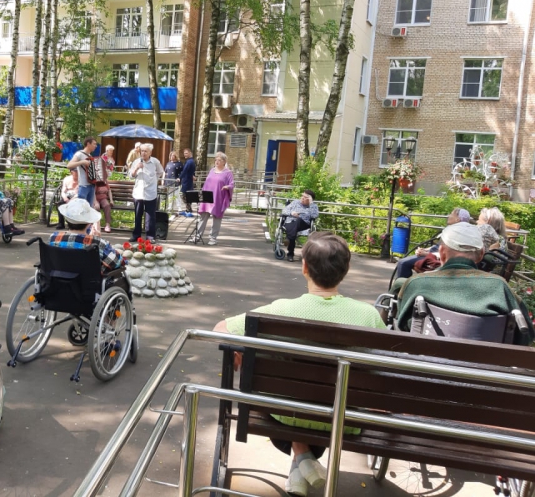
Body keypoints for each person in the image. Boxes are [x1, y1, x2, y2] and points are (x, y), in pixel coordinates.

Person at [214, 232, 385, 497]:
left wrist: (240, 350)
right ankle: (303, 459)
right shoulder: (368, 316)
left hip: (285, 414)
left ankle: (302, 455)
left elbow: (220, 329)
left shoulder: (281, 310)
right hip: (344, 418)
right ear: (346, 269)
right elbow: (387, 363)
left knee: (274, 368)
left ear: (304, 267)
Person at [393, 222, 534, 346]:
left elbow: (403, 326)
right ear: (481, 254)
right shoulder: (500, 287)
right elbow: (525, 336)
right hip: (484, 366)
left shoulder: (417, 283)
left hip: (427, 363)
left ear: (441, 253)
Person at [393, 208, 471, 281]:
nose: (448, 216)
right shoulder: (450, 230)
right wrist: (424, 249)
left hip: (436, 258)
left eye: (451, 214)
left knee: (402, 263)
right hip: (430, 254)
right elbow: (437, 246)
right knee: (403, 262)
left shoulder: (458, 235)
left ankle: (400, 288)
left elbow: (450, 253)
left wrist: (426, 254)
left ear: (457, 219)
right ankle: (404, 286)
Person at [50, 199, 124, 274]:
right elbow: (117, 262)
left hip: (57, 279)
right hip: (89, 280)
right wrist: (97, 239)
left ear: (67, 220)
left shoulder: (54, 238)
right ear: (89, 223)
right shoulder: (97, 243)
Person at [195, 152, 235, 246]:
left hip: (219, 197)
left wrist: (227, 187)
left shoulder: (228, 173)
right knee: (203, 217)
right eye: (216, 160)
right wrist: (202, 193)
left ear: (224, 162)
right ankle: (197, 236)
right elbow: (207, 182)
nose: (217, 162)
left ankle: (213, 238)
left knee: (217, 218)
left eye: (219, 160)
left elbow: (232, 184)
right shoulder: (212, 170)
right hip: (208, 196)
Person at [129, 143, 164, 242]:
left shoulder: (155, 162)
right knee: (137, 215)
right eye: (142, 151)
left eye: (145, 151)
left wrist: (154, 180)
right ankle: (136, 235)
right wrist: (136, 168)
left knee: (150, 216)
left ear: (150, 153)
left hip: (150, 193)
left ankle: (150, 236)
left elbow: (160, 172)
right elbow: (131, 176)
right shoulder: (136, 161)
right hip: (138, 193)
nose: (143, 153)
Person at [281, 189, 319, 262]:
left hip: (303, 224)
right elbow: (284, 211)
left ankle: (290, 249)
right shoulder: (295, 202)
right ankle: (290, 253)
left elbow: (314, 215)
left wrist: (311, 203)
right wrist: (292, 213)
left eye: (305, 197)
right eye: (302, 196)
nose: (302, 198)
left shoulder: (313, 206)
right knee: (293, 228)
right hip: (290, 222)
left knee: (298, 220)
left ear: (310, 199)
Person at [67, 137, 98, 206]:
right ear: (88, 144)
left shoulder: (90, 156)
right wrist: (82, 162)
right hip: (83, 186)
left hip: (91, 186)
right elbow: (69, 165)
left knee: (89, 209)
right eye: (94, 144)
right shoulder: (79, 154)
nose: (96, 146)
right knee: (81, 208)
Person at [179, 148, 196, 217]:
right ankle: (188, 209)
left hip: (187, 181)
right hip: (188, 180)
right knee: (186, 195)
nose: (184, 155)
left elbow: (185, 170)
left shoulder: (189, 162)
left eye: (186, 153)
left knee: (184, 195)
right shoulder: (191, 161)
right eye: (184, 153)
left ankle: (188, 210)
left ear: (190, 153)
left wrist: (179, 177)